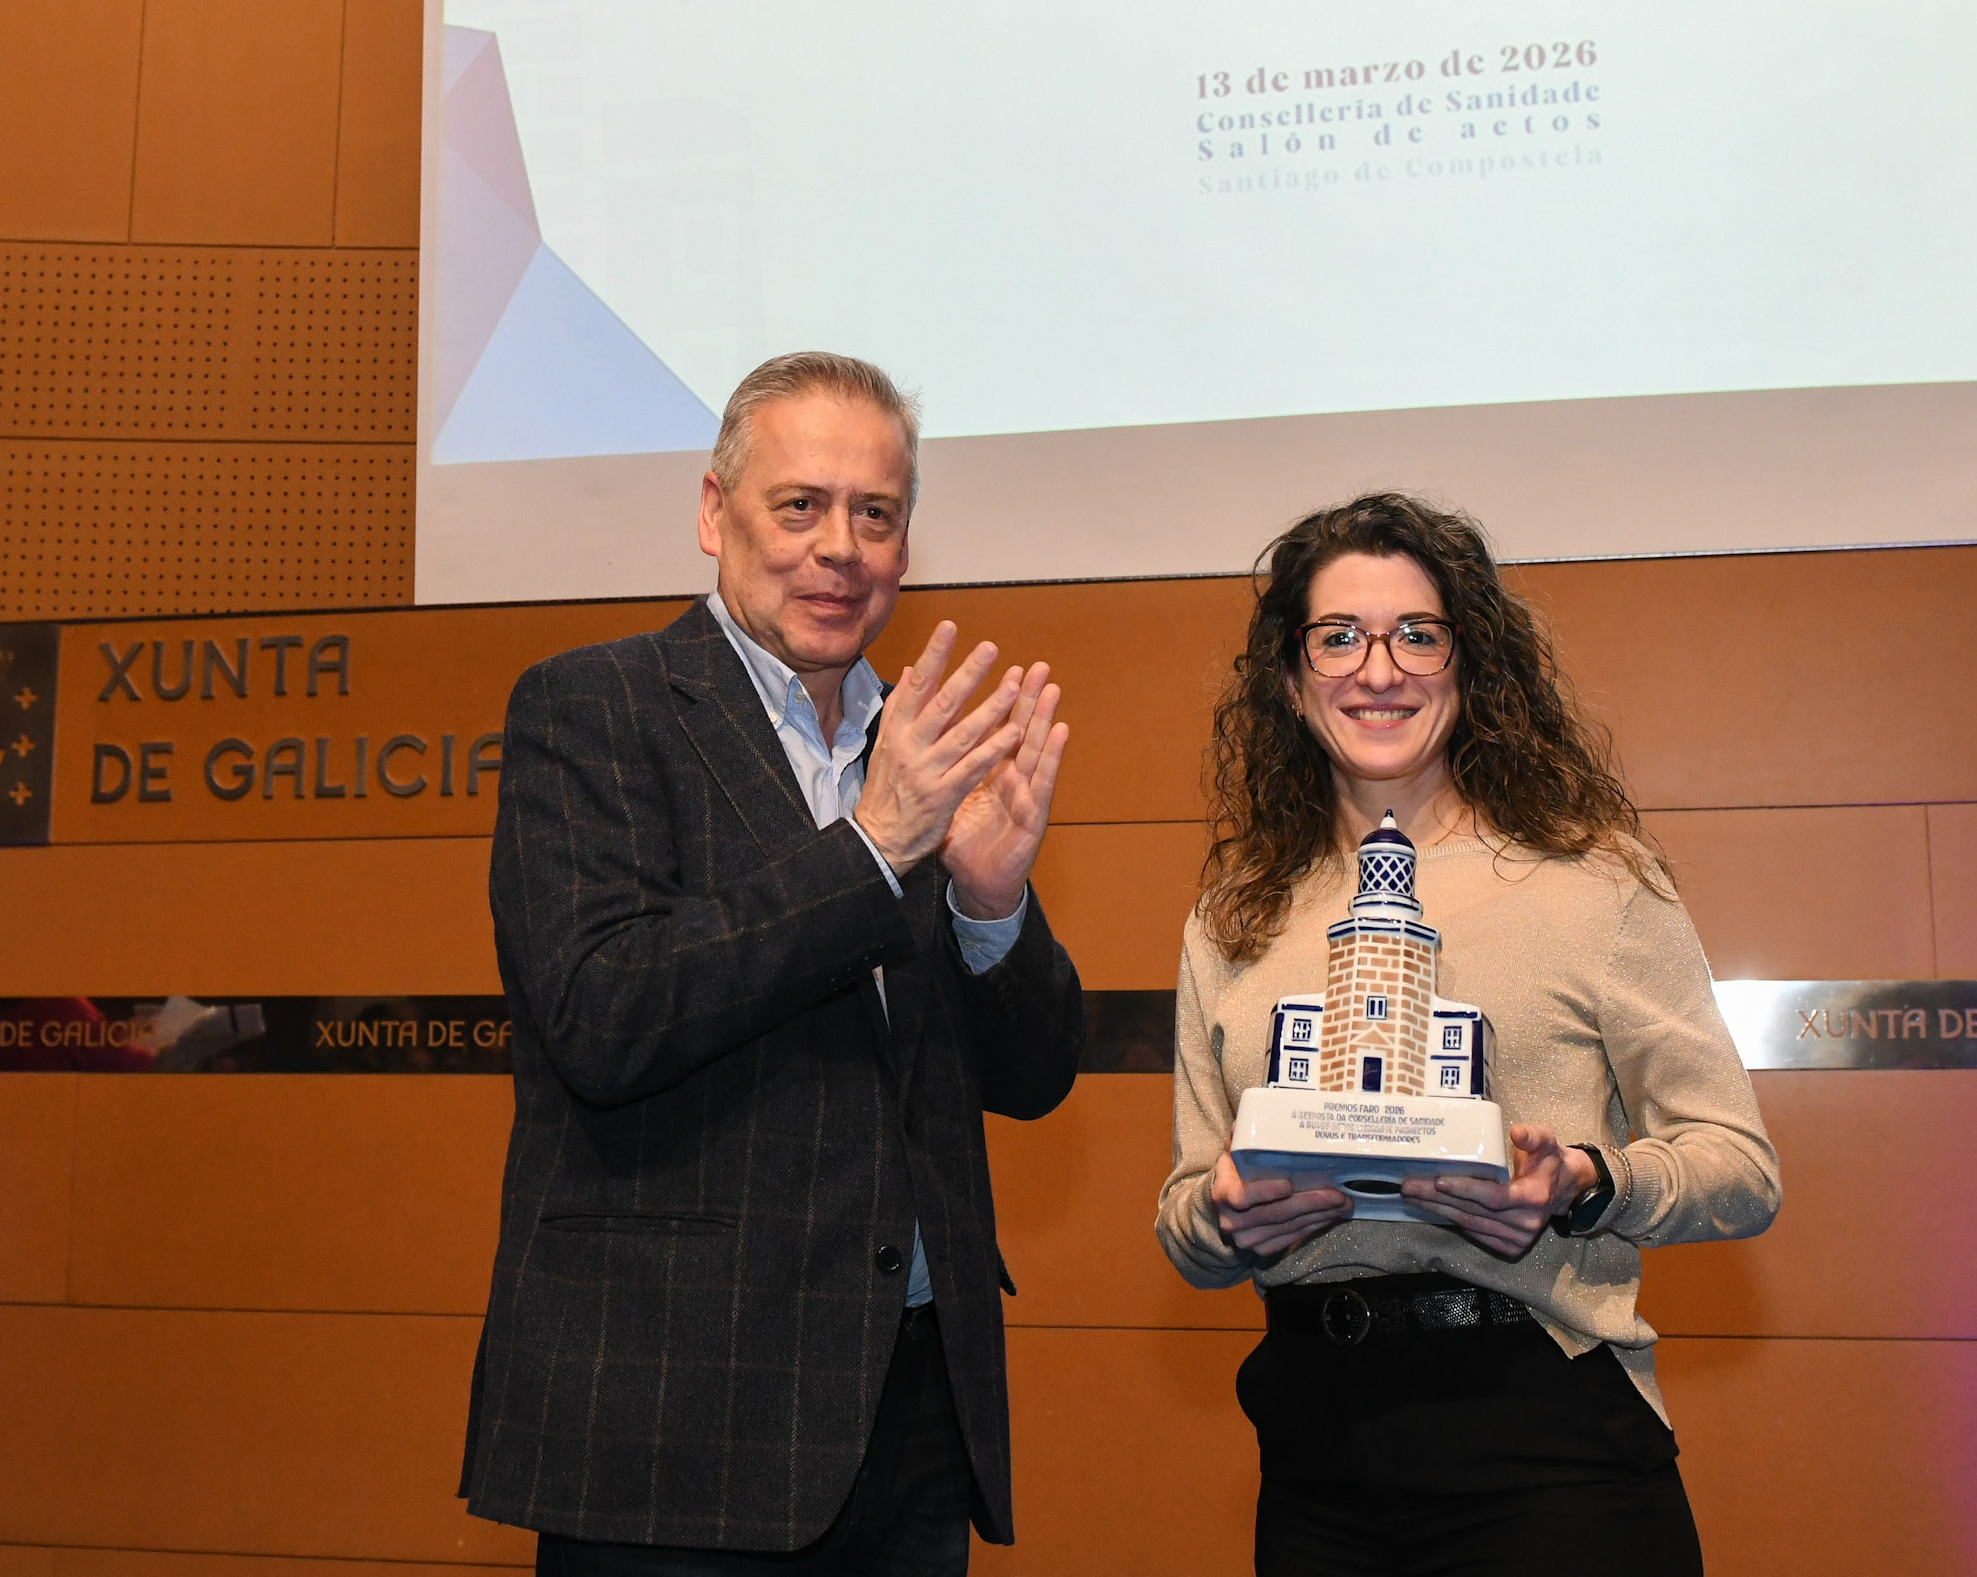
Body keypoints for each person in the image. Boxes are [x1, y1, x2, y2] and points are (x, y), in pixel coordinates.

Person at [463, 352, 1087, 1575]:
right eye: (799, 504)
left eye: (876, 513)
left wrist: (990, 901)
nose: (839, 547)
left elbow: (1033, 1077)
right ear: (715, 512)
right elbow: (603, 1014)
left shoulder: (920, 743)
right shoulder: (596, 707)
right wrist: (873, 848)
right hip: (676, 1410)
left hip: (913, 1404)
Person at [1156, 493, 1779, 1577]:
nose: (1379, 670)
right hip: (1312, 1454)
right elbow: (1184, 1212)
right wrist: (1224, 1215)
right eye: (1338, 637)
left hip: (1544, 1440)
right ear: (1291, 678)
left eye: (1418, 633)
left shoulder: (1592, 880)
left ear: (1471, 662)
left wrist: (1584, 1180)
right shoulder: (1235, 913)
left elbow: (1742, 1168)